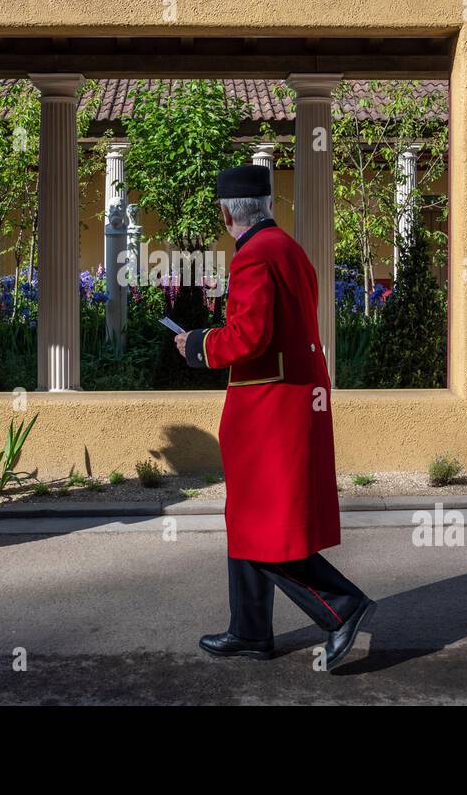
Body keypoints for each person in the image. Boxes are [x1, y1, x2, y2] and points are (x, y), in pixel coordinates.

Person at [176, 164, 375, 670]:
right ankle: (249, 631)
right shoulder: (288, 249)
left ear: (226, 212)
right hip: (291, 403)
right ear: (266, 205)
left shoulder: (252, 257)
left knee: (265, 527)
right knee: (250, 520)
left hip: (268, 410)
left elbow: (248, 337)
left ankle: (342, 608)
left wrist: (198, 344)